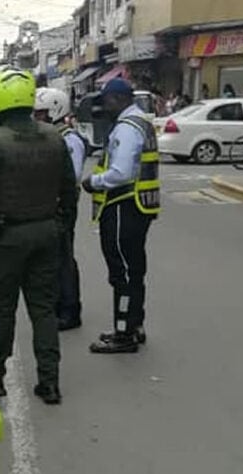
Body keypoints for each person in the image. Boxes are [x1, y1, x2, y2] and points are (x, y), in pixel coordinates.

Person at [0, 66, 77, 405]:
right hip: (47, 233)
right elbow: (69, 194)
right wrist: (62, 230)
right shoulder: (56, 139)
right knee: (43, 310)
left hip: (7, 238)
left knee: (1, 311)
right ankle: (50, 382)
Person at [82, 78, 160, 353]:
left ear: (118, 99)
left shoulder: (126, 129)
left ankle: (124, 334)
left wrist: (94, 181)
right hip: (139, 208)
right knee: (134, 269)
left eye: (107, 101)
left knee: (123, 273)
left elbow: (121, 173)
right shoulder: (141, 122)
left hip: (124, 206)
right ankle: (133, 325)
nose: (105, 106)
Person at [34, 87, 86, 331]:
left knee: (64, 258)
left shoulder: (69, 139)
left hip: (63, 206)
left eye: (42, 114)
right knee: (54, 258)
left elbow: (71, 175)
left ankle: (70, 310)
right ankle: (59, 304)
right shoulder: (52, 136)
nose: (37, 119)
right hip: (50, 204)